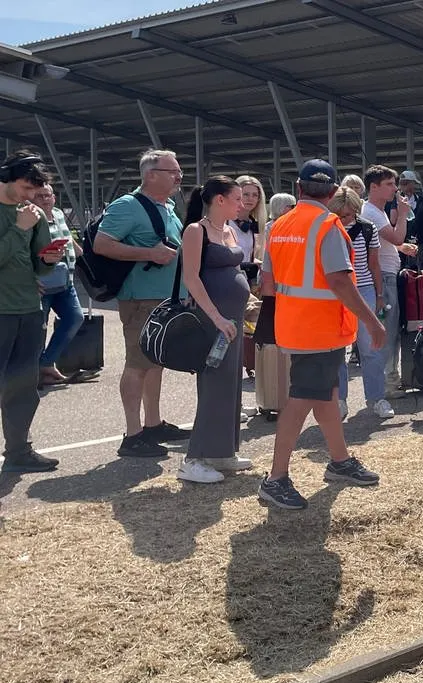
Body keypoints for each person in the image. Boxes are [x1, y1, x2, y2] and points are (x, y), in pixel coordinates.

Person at [257, 159, 388, 510]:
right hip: (321, 328)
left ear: (299, 189)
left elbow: (266, 285)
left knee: (326, 394)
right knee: (301, 400)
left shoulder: (279, 225)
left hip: (294, 325)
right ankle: (275, 478)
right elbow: (340, 281)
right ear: (332, 193)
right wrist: (372, 321)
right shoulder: (328, 226)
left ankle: (340, 460)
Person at [93, 148, 188, 459]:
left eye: (178, 171)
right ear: (150, 175)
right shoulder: (128, 205)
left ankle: (153, 423)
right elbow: (102, 244)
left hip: (162, 297)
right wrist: (149, 253)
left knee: (154, 361)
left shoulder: (166, 207)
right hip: (140, 298)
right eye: (172, 171)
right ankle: (132, 435)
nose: (178, 176)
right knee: (137, 363)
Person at [176, 176, 251, 484]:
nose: (242, 204)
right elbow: (191, 278)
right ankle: (194, 458)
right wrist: (217, 317)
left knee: (230, 383)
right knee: (213, 384)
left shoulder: (229, 230)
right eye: (237, 199)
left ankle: (222, 450)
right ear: (219, 200)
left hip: (231, 317)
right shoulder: (196, 231)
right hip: (213, 319)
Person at [0, 152, 63, 473]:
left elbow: (38, 265)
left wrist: (49, 260)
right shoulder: (24, 218)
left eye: (34, 191)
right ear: (7, 176)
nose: (29, 196)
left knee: (23, 385)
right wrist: (21, 229)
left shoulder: (34, 214)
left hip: (28, 309)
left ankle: (18, 452)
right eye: (25, 188)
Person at [328, 187, 390, 419]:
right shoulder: (327, 228)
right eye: (339, 214)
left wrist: (380, 294)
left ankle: (377, 397)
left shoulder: (367, 228)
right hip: (334, 291)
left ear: (355, 210)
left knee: (371, 347)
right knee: (337, 349)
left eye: (348, 214)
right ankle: (340, 400)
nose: (344, 219)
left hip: (364, 288)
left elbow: (374, 264)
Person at [33, 184, 95, 386]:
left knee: (74, 318)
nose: (44, 199)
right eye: (39, 196)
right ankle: (33, 373)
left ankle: (46, 364)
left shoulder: (59, 214)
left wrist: (87, 258)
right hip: (40, 284)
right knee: (37, 329)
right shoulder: (30, 218)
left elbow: (68, 240)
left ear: (54, 197)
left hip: (64, 282)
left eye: (48, 195)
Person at [360, 165, 409, 391]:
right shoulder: (370, 212)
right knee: (387, 330)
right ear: (373, 187)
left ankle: (388, 380)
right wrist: (404, 215)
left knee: (389, 329)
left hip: (387, 272)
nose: (394, 189)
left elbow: (388, 243)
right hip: (384, 276)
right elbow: (397, 237)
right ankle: (387, 382)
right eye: (389, 184)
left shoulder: (375, 212)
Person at [232, 175, 268, 268]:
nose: (250, 198)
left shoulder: (254, 226)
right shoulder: (225, 223)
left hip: (246, 279)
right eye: (245, 194)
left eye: (255, 195)